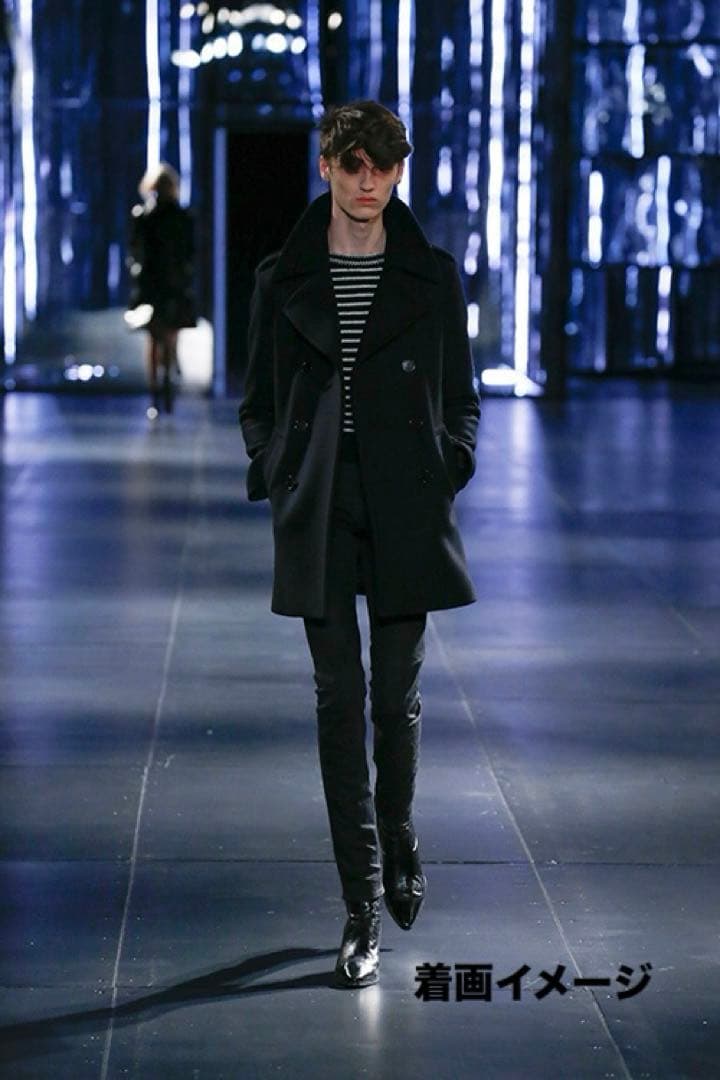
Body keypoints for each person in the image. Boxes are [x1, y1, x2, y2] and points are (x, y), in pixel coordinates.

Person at [238, 100, 480, 989]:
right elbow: (258, 401)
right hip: (323, 506)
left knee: (394, 702)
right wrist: (278, 471)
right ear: (327, 167)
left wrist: (449, 463)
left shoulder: (432, 276)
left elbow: (462, 397)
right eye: (353, 164)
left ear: (399, 171)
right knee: (339, 700)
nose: (369, 180)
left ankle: (400, 826)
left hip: (406, 500)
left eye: (383, 164)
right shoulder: (282, 279)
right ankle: (362, 902)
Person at [127, 163, 195, 419]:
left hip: (156, 285)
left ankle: (157, 389)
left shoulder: (148, 216)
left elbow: (136, 251)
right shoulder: (176, 217)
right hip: (168, 284)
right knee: (164, 336)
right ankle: (161, 385)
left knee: (157, 338)